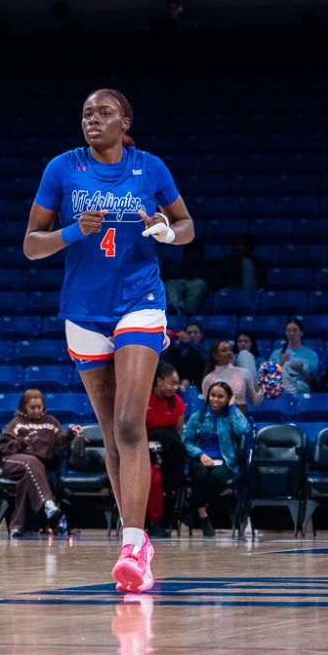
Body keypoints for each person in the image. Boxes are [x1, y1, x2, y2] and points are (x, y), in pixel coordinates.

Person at [24, 87, 195, 593]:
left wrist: (166, 231)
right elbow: (32, 244)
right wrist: (73, 231)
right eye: (86, 114)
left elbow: (186, 225)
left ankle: (134, 545)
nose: (92, 120)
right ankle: (134, 538)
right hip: (83, 311)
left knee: (127, 422)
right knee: (111, 433)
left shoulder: (150, 167)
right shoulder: (62, 168)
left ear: (125, 121)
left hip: (139, 300)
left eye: (103, 112)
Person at [0, 390, 76, 534]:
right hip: (12, 462)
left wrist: (71, 433)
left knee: (26, 480)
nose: (37, 411)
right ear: (24, 407)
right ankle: (48, 504)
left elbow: (60, 442)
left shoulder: (51, 422)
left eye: (39, 407)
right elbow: (4, 447)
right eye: (32, 408)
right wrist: (23, 442)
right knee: (31, 461)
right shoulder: (17, 423)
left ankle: (17, 527)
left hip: (37, 467)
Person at [181, 381, 250, 536]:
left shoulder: (230, 416)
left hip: (225, 461)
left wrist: (233, 407)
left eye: (220, 396)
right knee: (200, 474)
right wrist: (200, 454)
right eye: (212, 395)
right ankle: (203, 516)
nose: (215, 399)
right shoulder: (197, 417)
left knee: (217, 476)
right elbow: (187, 441)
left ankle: (197, 512)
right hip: (201, 459)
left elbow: (243, 429)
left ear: (227, 399)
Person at [144, 363, 188, 535]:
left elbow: (178, 433)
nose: (175, 387)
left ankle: (163, 520)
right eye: (172, 383)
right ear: (159, 381)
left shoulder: (177, 402)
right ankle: (149, 521)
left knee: (166, 476)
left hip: (167, 453)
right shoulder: (144, 399)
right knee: (153, 479)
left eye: (177, 383)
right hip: (143, 450)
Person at [200, 340, 261, 410]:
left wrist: (263, 389)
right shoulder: (208, 379)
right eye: (224, 351)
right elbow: (210, 408)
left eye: (230, 350)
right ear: (215, 356)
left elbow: (255, 402)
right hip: (221, 416)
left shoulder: (244, 373)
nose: (229, 352)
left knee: (245, 354)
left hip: (242, 415)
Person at [270, 320, 319, 395]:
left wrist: (301, 371)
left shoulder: (312, 355)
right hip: (282, 390)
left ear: (301, 333)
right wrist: (281, 364)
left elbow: (311, 381)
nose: (291, 333)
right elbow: (270, 378)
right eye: (288, 331)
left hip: (302, 390)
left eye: (295, 330)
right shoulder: (276, 354)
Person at [164, 238, 210, 317]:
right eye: (191, 252)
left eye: (196, 252)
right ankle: (177, 310)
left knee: (198, 284)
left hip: (195, 283)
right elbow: (172, 275)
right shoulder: (180, 264)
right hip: (180, 282)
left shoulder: (206, 266)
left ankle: (189, 313)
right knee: (170, 284)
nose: (194, 254)